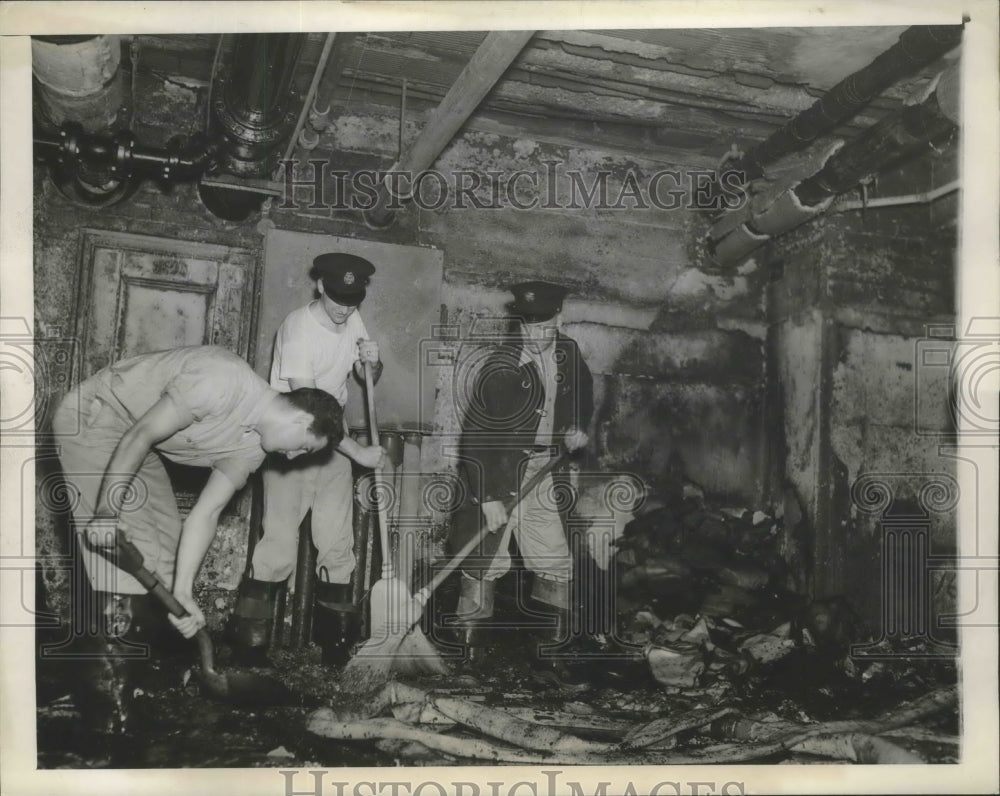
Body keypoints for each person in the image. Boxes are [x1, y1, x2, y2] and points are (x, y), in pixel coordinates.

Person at [51, 345, 345, 733]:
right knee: (122, 562)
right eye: (304, 446)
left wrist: (185, 593)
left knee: (169, 555)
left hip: (136, 442)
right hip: (97, 419)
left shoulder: (252, 450)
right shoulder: (221, 380)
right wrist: (106, 510)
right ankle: (109, 714)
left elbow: (206, 513)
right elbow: (141, 432)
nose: (294, 458)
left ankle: (131, 681)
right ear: (299, 416)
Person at [227, 253, 385, 666]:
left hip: (333, 446)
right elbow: (314, 417)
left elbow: (365, 374)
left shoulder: (349, 315)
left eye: (353, 301)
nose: (345, 309)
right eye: (337, 300)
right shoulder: (298, 330)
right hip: (293, 445)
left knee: (338, 548)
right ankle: (250, 653)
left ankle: (334, 654)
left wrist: (373, 362)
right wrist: (362, 454)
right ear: (320, 288)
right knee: (278, 546)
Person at [447, 280, 594, 687]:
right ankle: (469, 660)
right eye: (528, 327)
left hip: (546, 470)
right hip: (500, 472)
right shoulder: (502, 366)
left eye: (544, 327)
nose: (536, 336)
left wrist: (577, 427)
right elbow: (476, 437)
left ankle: (548, 659)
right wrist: (489, 496)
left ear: (559, 319)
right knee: (484, 560)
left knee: (554, 561)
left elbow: (583, 394)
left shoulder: (569, 352)